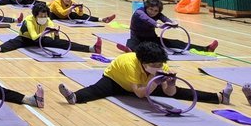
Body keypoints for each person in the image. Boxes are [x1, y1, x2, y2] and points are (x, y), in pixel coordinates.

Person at [58, 41, 231, 105]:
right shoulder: (129, 63)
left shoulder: (161, 66)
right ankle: (74, 97)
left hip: (145, 82)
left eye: (160, 64)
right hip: (117, 81)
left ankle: (219, 97)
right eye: (154, 64)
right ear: (142, 62)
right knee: (97, 90)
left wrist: (170, 84)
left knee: (181, 92)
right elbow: (140, 94)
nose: (158, 66)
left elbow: (169, 93)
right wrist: (155, 79)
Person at [0, 2, 101, 54]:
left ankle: (91, 48)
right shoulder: (29, 20)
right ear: (35, 15)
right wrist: (46, 32)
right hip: (26, 39)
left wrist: (56, 34)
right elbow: (34, 37)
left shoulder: (48, 20)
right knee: (13, 42)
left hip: (41, 38)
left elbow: (55, 40)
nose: (43, 17)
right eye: (41, 15)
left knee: (63, 43)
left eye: (45, 15)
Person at [125, 0, 217, 53]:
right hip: (137, 37)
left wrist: (173, 24)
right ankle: (129, 49)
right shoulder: (139, 12)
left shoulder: (157, 14)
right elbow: (147, 19)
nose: (152, 12)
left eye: (156, 11)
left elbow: (165, 19)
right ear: (146, 7)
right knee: (133, 44)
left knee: (176, 43)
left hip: (151, 38)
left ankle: (206, 49)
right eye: (150, 9)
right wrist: (157, 24)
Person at [47, 0, 114, 23]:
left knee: (83, 16)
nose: (68, 0)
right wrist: (71, 8)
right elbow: (62, 12)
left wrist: (80, 9)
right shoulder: (56, 2)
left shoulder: (72, 2)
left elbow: (80, 14)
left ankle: (102, 19)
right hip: (55, 14)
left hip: (66, 14)